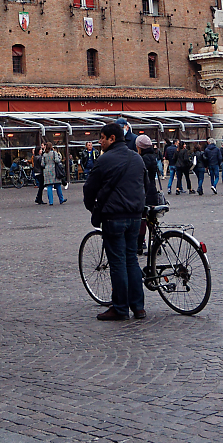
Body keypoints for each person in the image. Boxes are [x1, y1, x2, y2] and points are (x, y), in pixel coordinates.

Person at [84, 122, 148, 321]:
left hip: (114, 217)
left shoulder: (105, 160)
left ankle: (120, 307)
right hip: (135, 216)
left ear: (112, 138)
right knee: (131, 260)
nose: (99, 141)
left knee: (118, 262)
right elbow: (146, 184)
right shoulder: (136, 158)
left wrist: (93, 208)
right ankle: (138, 307)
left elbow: (89, 188)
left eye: (102, 137)